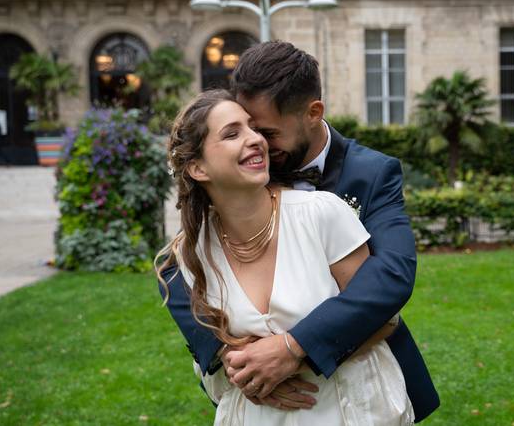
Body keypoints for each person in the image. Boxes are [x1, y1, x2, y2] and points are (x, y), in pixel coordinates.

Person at [158, 41, 439, 422]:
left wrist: (293, 350)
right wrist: (235, 360)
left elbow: (390, 277)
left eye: (266, 132)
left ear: (313, 113)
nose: (257, 142)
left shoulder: (369, 174)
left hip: (354, 386)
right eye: (242, 128)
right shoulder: (245, 171)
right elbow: (178, 267)